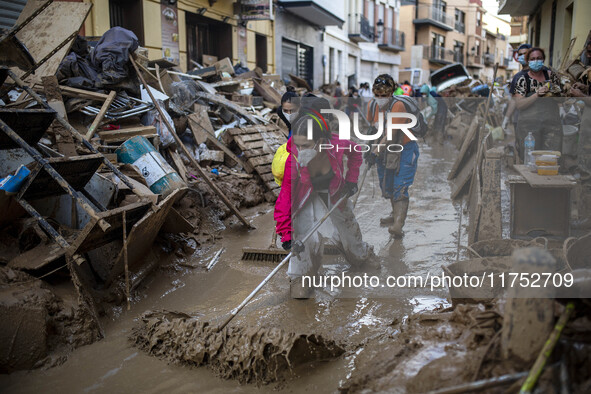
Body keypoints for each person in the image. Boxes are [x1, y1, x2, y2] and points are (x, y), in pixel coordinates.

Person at [274, 108, 374, 298]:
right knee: (304, 240)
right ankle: (302, 276)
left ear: (320, 142)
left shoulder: (336, 144)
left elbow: (356, 152)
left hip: (335, 195)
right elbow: (285, 198)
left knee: (352, 244)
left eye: (306, 145)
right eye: (298, 145)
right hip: (305, 200)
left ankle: (362, 253)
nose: (300, 150)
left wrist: (351, 180)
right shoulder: (293, 160)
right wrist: (286, 236)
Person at [366, 74, 420, 237]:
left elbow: (391, 134)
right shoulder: (371, 106)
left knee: (400, 186)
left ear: (391, 93)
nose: (380, 98)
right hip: (385, 150)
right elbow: (373, 129)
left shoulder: (398, 107)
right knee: (387, 185)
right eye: (377, 95)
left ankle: (398, 225)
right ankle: (394, 212)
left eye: (384, 95)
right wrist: (369, 149)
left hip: (405, 148)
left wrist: (375, 152)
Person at [513, 47, 562, 160]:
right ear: (528, 61)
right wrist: (537, 95)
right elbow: (519, 105)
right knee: (531, 160)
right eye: (533, 58)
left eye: (539, 58)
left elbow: (561, 99)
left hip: (551, 127)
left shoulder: (551, 77)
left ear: (543, 59)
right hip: (529, 129)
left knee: (551, 159)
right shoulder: (522, 79)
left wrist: (556, 91)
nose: (536, 61)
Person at [503, 44, 532, 130]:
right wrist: (506, 119)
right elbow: (513, 101)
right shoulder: (517, 77)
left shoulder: (540, 74)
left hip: (535, 120)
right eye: (520, 54)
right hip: (520, 120)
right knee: (520, 143)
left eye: (525, 53)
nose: (522, 56)